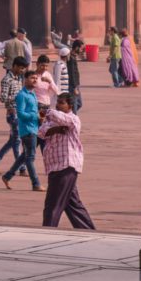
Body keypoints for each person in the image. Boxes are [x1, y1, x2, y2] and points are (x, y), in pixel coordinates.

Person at [38, 92, 95, 230]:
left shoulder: (73, 119)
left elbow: (64, 120)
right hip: (54, 167)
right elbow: (41, 132)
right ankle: (88, 230)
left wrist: (48, 111)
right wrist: (56, 129)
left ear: (70, 105)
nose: (58, 105)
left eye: (61, 103)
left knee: (53, 204)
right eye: (57, 102)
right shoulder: (52, 121)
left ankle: (47, 230)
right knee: (73, 204)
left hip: (66, 166)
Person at [1, 67, 44, 191]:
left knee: (25, 156)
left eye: (36, 78)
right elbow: (20, 113)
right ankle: (35, 183)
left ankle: (7, 176)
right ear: (25, 80)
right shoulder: (22, 95)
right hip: (27, 130)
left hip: (34, 128)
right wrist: (34, 116)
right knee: (30, 158)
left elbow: (33, 111)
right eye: (32, 78)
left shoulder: (32, 94)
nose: (35, 80)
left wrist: (39, 118)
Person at [0, 55, 28, 176]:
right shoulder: (7, 79)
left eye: (23, 69)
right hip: (12, 113)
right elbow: (2, 98)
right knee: (16, 140)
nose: (22, 70)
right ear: (14, 66)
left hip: (20, 113)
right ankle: (21, 168)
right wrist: (17, 98)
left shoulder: (19, 79)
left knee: (13, 140)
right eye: (20, 68)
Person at [67, 41, 83, 113]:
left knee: (79, 103)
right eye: (81, 48)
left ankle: (70, 116)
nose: (81, 50)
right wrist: (74, 87)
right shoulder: (71, 59)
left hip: (76, 84)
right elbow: (71, 73)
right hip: (73, 85)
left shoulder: (73, 57)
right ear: (76, 47)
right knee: (75, 105)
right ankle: (73, 119)